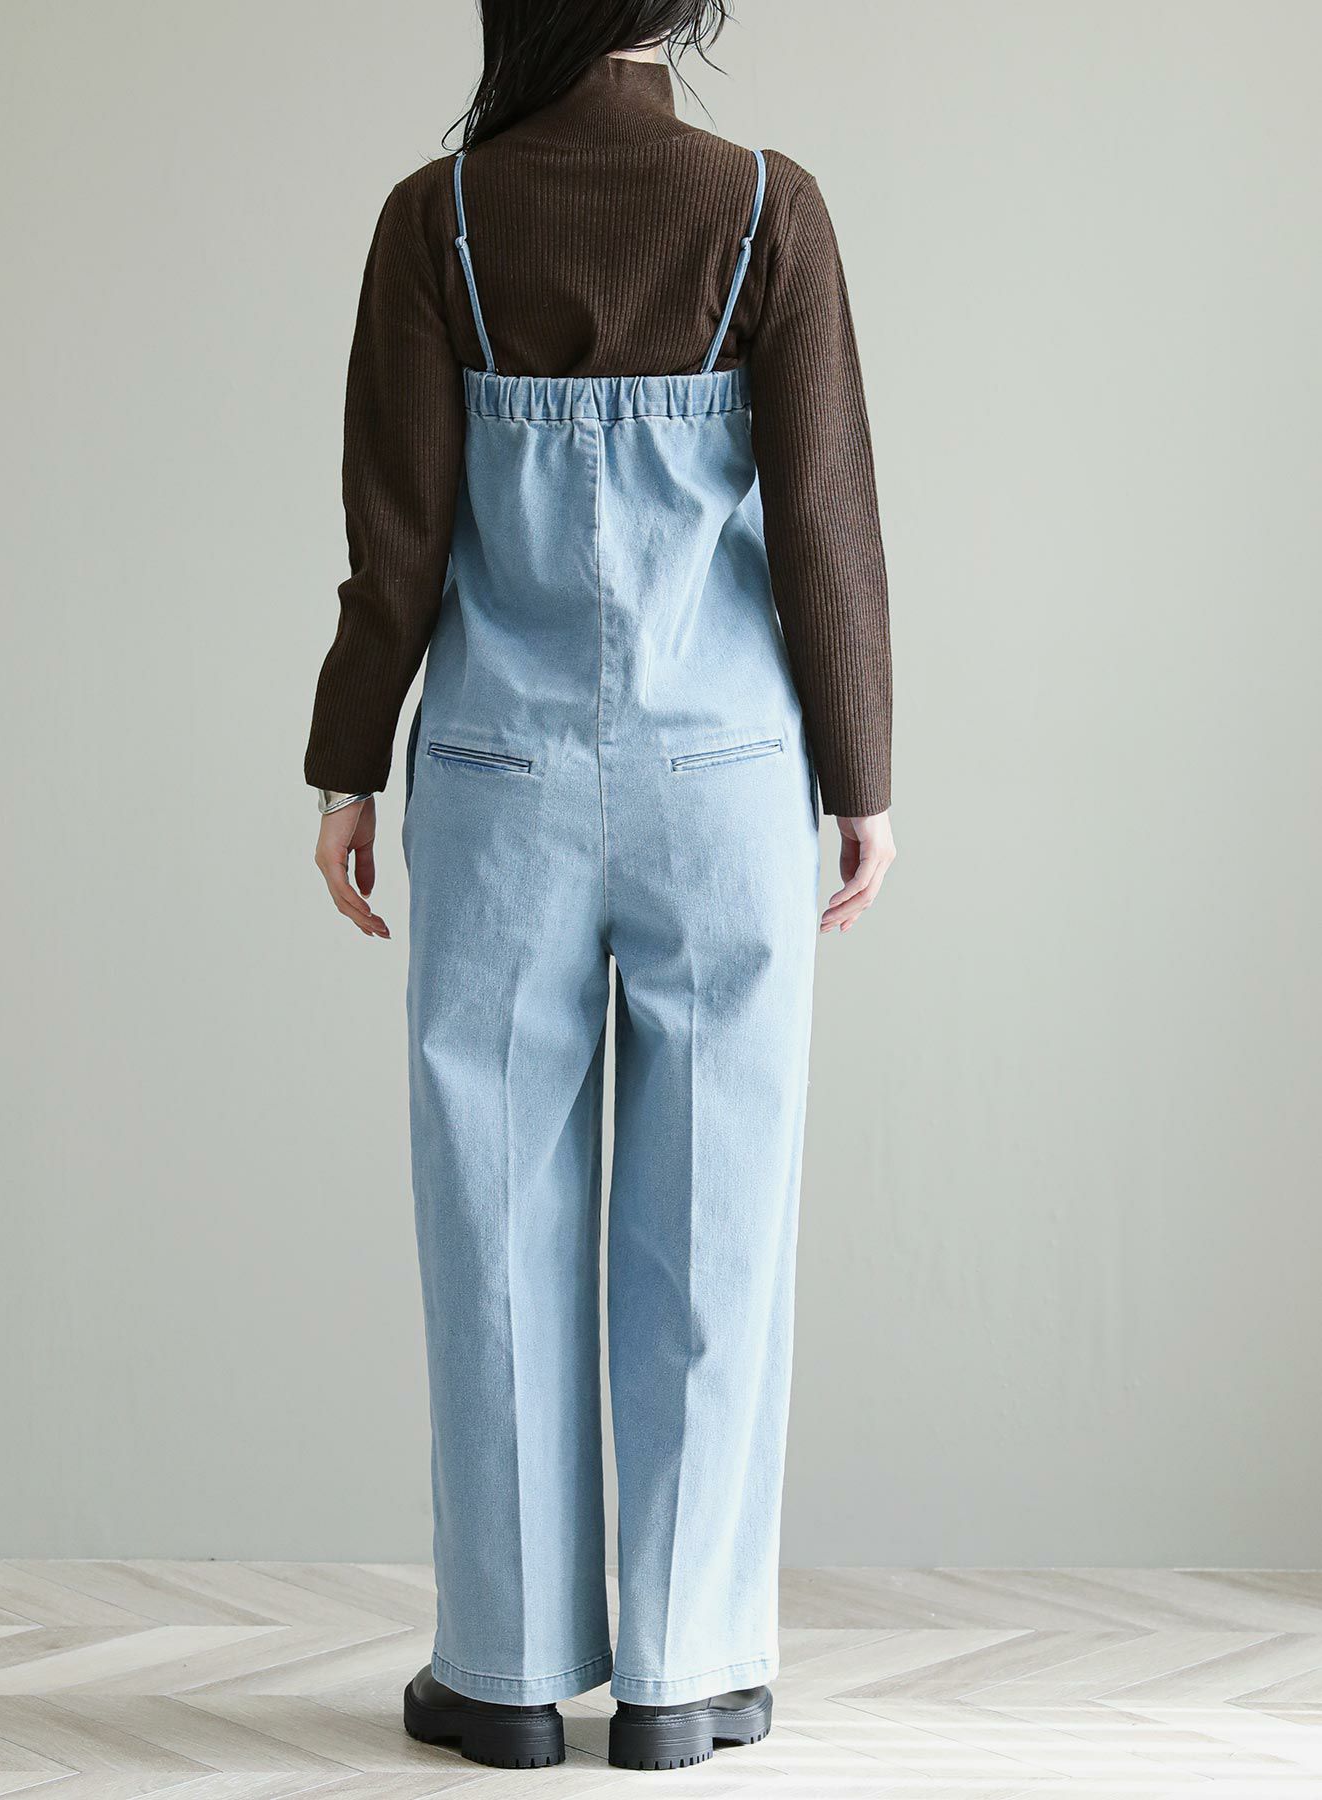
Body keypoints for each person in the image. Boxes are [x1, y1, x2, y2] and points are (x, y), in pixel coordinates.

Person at [307, 0, 895, 1773]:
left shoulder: (439, 216)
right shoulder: (767, 206)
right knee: (719, 1216)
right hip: (727, 781)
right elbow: (825, 518)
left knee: (493, 1215)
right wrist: (862, 778)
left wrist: (347, 763)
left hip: (501, 780)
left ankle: (502, 1679)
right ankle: (687, 1678)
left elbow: (397, 541)